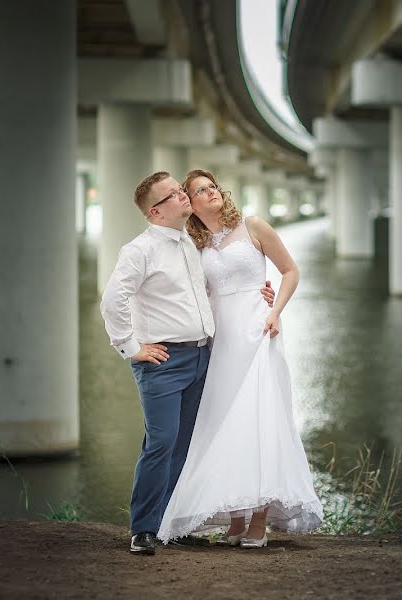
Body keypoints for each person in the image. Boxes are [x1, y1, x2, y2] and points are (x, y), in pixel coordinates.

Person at [100, 171, 275, 555]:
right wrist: (132, 347)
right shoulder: (140, 250)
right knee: (160, 443)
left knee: (187, 445)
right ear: (155, 212)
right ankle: (143, 529)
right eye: (174, 194)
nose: (183, 196)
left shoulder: (192, 244)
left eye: (182, 190)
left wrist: (262, 294)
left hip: (202, 355)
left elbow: (226, 284)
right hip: (163, 360)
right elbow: (113, 300)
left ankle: (171, 525)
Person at [157, 170, 323, 548]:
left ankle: (259, 523)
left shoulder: (252, 226)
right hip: (222, 342)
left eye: (211, 185)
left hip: (259, 333)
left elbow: (290, 271)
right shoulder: (194, 244)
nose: (209, 191)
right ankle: (235, 520)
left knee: (259, 422)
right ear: (190, 203)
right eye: (199, 190)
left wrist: (275, 310)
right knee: (224, 424)